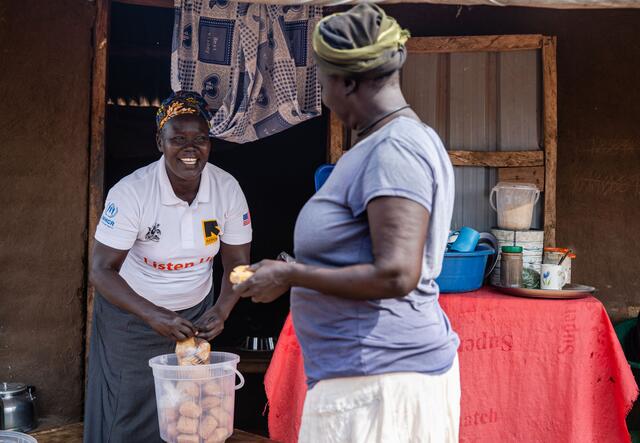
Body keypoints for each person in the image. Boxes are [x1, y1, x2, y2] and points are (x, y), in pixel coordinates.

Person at [234, 4, 460, 442]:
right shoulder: (387, 143)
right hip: (368, 382)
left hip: (379, 387)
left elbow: (397, 273)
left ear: (349, 82)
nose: (323, 97)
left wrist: (292, 273)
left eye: (323, 81)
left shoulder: (395, 149)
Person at [84, 92, 252, 442]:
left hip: (194, 315)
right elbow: (101, 270)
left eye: (200, 139)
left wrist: (221, 310)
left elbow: (237, 262)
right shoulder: (132, 193)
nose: (190, 149)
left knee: (188, 412)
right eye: (178, 139)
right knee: (127, 409)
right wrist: (151, 315)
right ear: (160, 141)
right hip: (131, 318)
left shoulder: (227, 190)